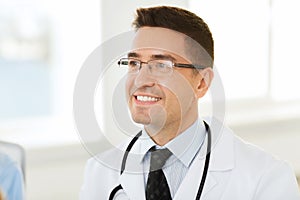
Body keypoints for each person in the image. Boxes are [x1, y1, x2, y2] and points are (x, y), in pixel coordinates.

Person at [80, 6, 300, 200]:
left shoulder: (267, 178)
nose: (141, 80)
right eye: (134, 63)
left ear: (202, 83)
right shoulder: (99, 172)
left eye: (162, 65)